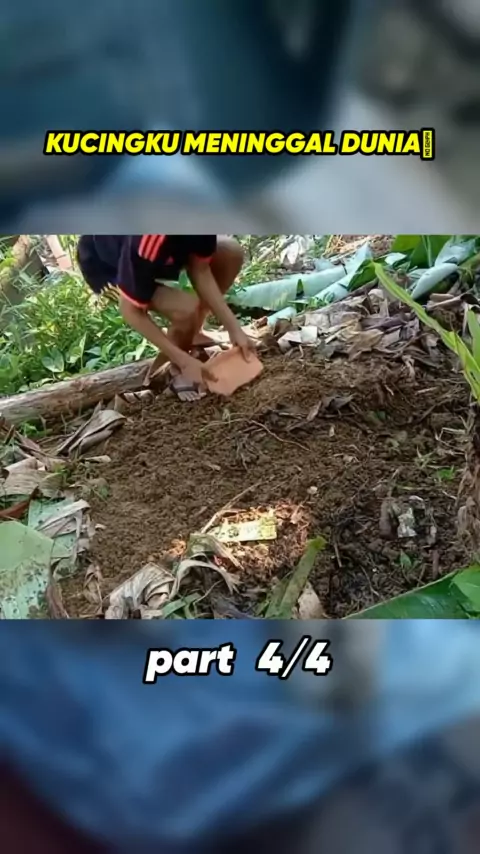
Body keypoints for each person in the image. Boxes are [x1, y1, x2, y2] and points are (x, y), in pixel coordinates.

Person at [76, 234, 256, 391]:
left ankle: (192, 333)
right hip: (110, 265)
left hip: (157, 251)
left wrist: (234, 328)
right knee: (185, 309)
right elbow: (129, 310)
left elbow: (200, 269)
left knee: (229, 252)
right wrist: (183, 361)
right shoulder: (150, 236)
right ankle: (172, 368)